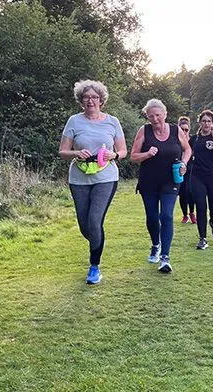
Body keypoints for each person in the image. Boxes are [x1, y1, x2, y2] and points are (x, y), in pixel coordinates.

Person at [58, 80, 127, 284]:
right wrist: (76, 152)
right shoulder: (74, 121)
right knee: (84, 226)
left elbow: (123, 151)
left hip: (106, 177)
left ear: (101, 100)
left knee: (94, 221)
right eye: (86, 97)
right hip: (79, 178)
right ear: (81, 100)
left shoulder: (112, 122)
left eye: (94, 97)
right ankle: (98, 240)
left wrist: (113, 155)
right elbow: (62, 151)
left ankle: (94, 267)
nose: (91, 100)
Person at [130, 99, 191, 273]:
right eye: (151, 116)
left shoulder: (175, 130)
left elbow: (187, 149)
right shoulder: (144, 131)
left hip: (170, 180)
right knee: (152, 217)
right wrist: (147, 154)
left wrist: (184, 163)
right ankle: (155, 244)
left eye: (158, 115)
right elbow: (133, 156)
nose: (155, 119)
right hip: (148, 181)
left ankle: (165, 257)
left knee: (166, 216)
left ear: (164, 114)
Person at [189, 109, 213, 250]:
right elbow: (187, 153)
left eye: (209, 121)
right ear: (200, 122)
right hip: (197, 176)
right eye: (204, 121)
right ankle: (202, 238)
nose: (206, 124)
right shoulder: (195, 139)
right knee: (201, 206)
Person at [177, 116, 197, 224]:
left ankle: (192, 213)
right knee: (183, 193)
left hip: (192, 169)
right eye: (182, 129)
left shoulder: (194, 140)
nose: (184, 132)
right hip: (180, 170)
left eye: (186, 129)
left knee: (191, 191)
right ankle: (185, 215)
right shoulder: (176, 141)